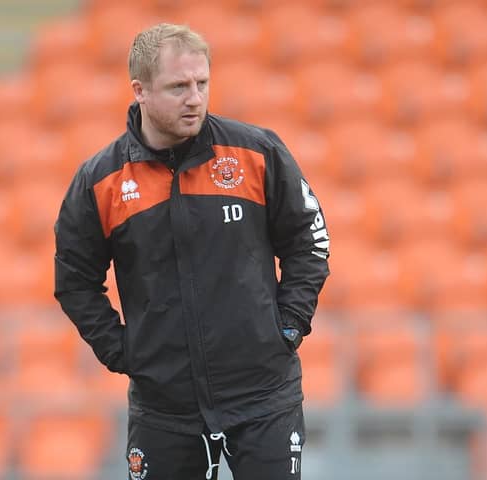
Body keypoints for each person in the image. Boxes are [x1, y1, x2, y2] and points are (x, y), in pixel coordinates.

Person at [54, 23, 330, 480]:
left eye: (202, 83)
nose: (195, 98)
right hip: (164, 409)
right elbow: (74, 281)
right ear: (140, 91)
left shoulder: (255, 153)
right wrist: (124, 352)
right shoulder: (100, 180)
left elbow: (309, 241)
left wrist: (288, 325)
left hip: (263, 397)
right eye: (179, 86)